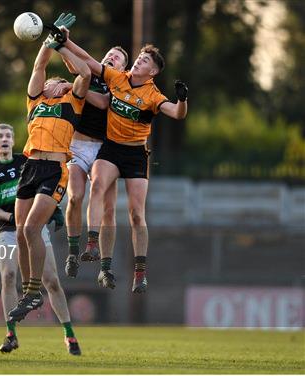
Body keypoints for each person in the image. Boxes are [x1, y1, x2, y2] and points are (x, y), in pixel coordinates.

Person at [63, 32, 188, 291]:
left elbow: (176, 113)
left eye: (144, 61)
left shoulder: (153, 96)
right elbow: (87, 59)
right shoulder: (117, 78)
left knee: (136, 214)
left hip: (135, 155)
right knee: (96, 186)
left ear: (152, 72)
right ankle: (91, 244)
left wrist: (183, 100)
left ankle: (140, 272)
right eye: (139, 57)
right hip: (110, 149)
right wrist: (65, 42)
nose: (139, 62)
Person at [7, 13, 91, 323]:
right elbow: (39, 67)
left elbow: (84, 73)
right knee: (20, 234)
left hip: (55, 171)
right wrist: (48, 41)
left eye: (60, 81)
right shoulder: (35, 100)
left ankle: (32, 292)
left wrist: (62, 44)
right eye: (52, 82)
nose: (54, 83)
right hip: (29, 167)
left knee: (32, 229)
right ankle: (28, 293)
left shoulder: (73, 100)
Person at [0, 123, 80, 355]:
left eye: (8, 135)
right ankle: (10, 333)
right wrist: (14, 217)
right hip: (8, 231)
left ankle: (69, 333)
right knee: (8, 277)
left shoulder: (26, 162)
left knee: (52, 281)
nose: (4, 139)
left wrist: (51, 210)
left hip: (35, 229)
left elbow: (45, 188)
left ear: (14, 140)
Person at [58, 47, 128, 279]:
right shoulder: (89, 72)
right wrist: (60, 45)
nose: (112, 57)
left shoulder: (121, 83)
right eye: (110, 54)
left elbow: (103, 102)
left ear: (123, 68)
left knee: (109, 209)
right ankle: (72, 252)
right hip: (76, 145)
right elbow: (74, 64)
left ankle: (105, 267)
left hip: (104, 148)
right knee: (75, 197)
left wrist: (75, 87)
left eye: (118, 58)